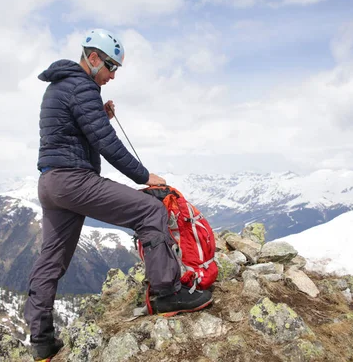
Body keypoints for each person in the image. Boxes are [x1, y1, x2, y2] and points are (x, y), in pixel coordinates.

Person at [24, 28, 213, 361]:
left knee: (51, 260)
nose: (113, 75)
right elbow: (106, 143)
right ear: (93, 58)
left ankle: (41, 340)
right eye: (111, 66)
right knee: (149, 210)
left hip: (51, 183)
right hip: (74, 181)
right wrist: (144, 176)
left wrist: (101, 114)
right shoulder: (82, 87)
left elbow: (72, 131)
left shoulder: (60, 87)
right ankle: (167, 292)